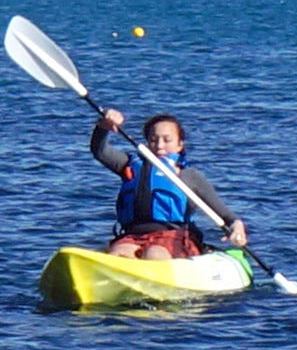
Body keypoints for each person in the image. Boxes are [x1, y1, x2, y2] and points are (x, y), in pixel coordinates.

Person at [88, 106, 248, 260]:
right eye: (153, 140)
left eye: (167, 140)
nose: (159, 146)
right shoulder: (128, 165)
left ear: (180, 145)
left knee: (154, 254)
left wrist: (237, 226)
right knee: (118, 253)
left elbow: (226, 214)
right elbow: (99, 150)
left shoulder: (190, 176)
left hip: (173, 236)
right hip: (132, 235)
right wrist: (103, 127)